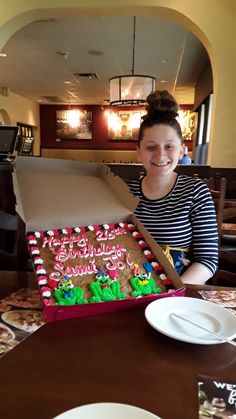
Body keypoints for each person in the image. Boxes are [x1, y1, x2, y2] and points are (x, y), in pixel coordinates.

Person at [128, 90, 218, 284]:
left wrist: (174, 294)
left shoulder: (196, 191)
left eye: (169, 146)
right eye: (151, 147)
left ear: (181, 150)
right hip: (132, 288)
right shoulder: (126, 192)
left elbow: (207, 260)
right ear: (138, 152)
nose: (160, 156)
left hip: (180, 292)